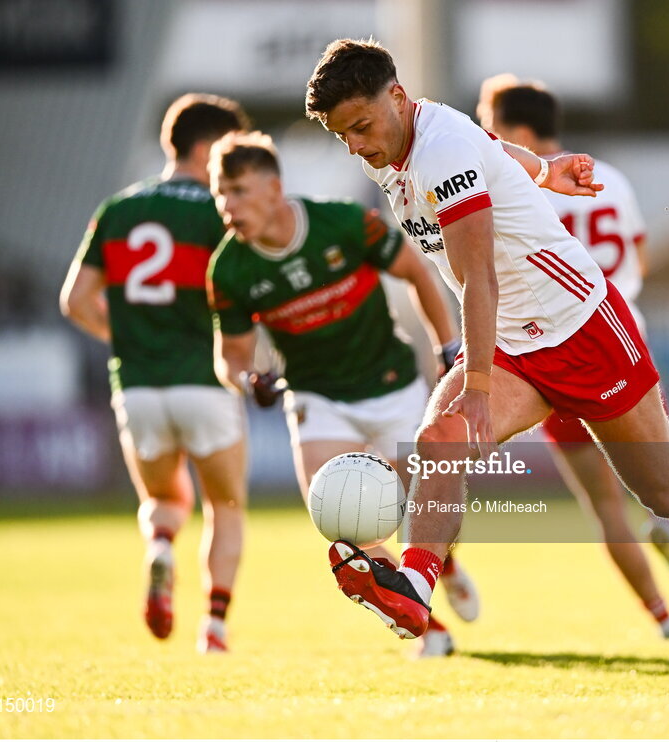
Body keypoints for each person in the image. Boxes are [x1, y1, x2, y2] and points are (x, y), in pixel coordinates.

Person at [304, 38, 669, 645]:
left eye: (361, 127)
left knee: (666, 490)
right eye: (343, 135)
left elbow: (478, 278)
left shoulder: (441, 152)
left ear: (396, 97)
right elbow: (493, 146)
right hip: (514, 344)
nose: (356, 145)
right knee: (441, 438)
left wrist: (475, 386)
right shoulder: (400, 141)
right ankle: (416, 590)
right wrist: (543, 170)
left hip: (583, 329)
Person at [206, 130, 480, 657]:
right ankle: (425, 618)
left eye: (238, 190)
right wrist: (245, 381)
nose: (228, 205)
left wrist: (448, 345)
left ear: (273, 187)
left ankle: (445, 564)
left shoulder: (343, 221)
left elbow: (416, 275)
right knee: (341, 519)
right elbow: (231, 356)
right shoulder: (230, 268)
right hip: (316, 397)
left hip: (391, 384)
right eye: (221, 194)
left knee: (426, 507)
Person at [477, 76, 669, 638]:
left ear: (523, 133)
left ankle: (664, 620)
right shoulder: (611, 178)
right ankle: (666, 522)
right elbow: (641, 259)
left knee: (604, 504)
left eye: (491, 124)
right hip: (623, 341)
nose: (484, 136)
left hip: (549, 352)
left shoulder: (512, 181)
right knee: (663, 479)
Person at [60, 93, 251, 653]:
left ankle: (161, 550)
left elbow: (75, 300)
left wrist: (128, 339)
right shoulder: (220, 213)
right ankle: (213, 627)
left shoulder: (118, 208)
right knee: (226, 506)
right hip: (205, 383)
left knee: (165, 503)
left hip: (138, 388)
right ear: (207, 147)